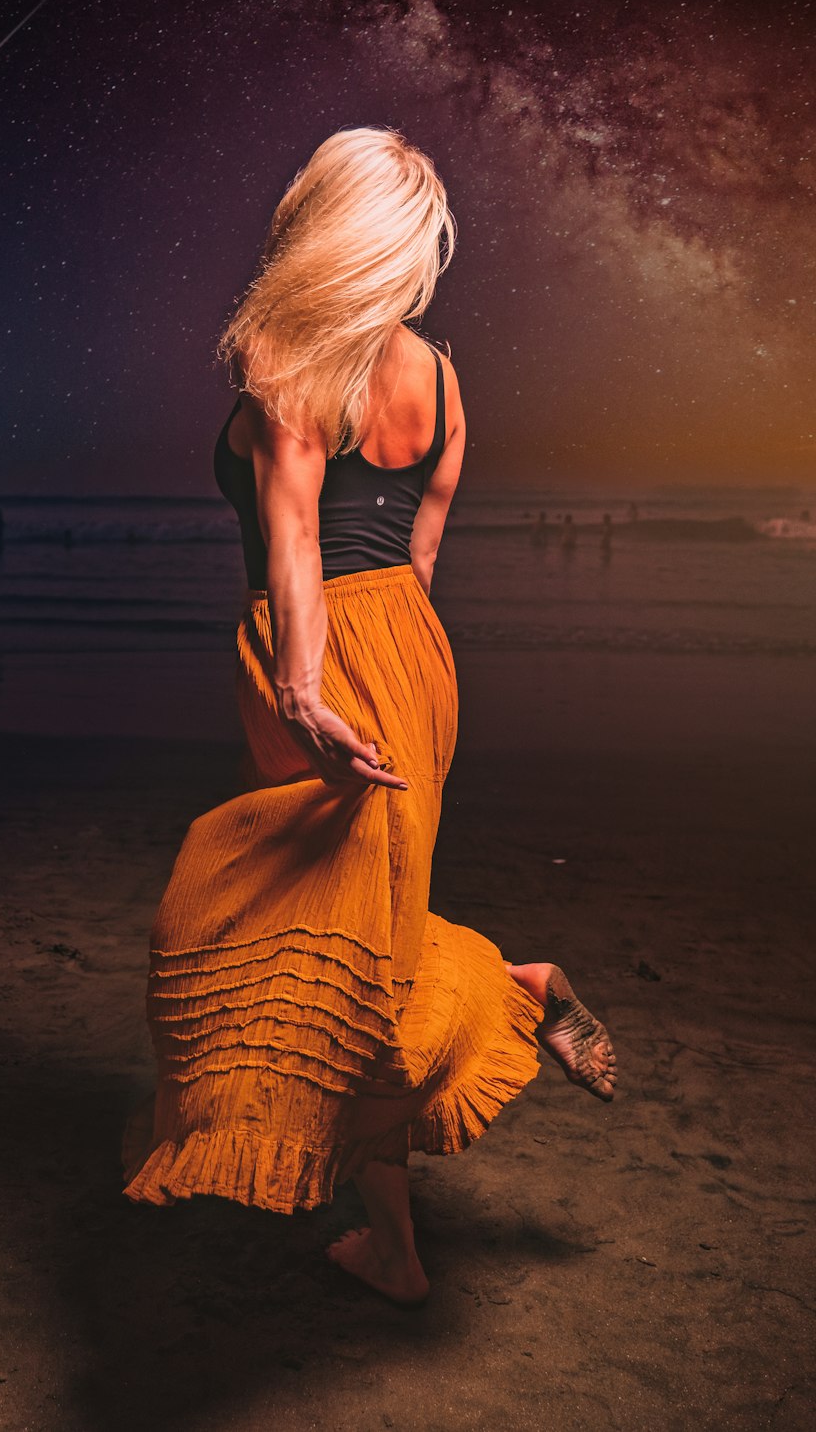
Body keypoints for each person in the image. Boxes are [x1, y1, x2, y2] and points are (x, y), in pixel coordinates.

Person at [121, 127, 617, 1305]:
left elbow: (293, 530)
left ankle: (513, 987)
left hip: (317, 661)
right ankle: (395, 1247)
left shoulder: (279, 341)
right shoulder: (439, 378)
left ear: (318, 214)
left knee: (282, 939)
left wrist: (304, 686)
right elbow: (423, 553)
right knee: (363, 941)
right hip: (413, 654)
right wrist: (395, 679)